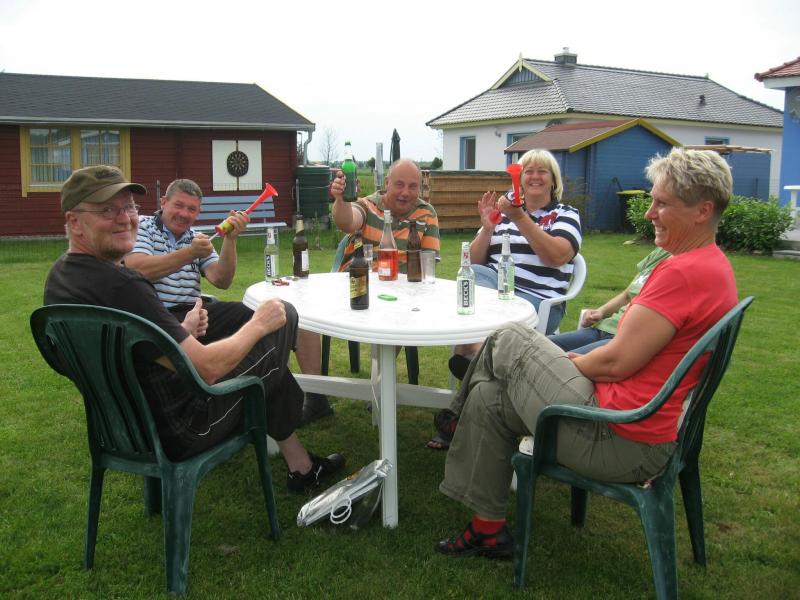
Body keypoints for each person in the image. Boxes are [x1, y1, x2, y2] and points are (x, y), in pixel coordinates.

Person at [435, 148, 737, 559]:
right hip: (628, 425)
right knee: (489, 397)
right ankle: (488, 530)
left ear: (702, 211)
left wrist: (564, 364)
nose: (650, 214)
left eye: (662, 204)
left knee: (509, 336)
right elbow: (623, 354)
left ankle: (453, 415)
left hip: (617, 437)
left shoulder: (683, 272)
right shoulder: (709, 265)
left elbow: (614, 362)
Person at [44, 165, 345, 492]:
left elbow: (219, 280)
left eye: (128, 207)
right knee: (280, 321)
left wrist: (182, 331)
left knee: (258, 341)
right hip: (187, 427)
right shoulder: (125, 286)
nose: (124, 218)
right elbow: (207, 369)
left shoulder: (60, 280)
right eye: (106, 210)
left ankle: (300, 462)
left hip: (123, 426)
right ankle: (300, 446)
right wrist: (260, 324)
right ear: (74, 221)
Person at [123, 179, 333, 426]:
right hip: (159, 318)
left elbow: (221, 279)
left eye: (191, 209)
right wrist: (189, 253)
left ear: (198, 212)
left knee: (274, 315)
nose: (184, 214)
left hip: (199, 315)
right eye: (178, 205)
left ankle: (310, 399)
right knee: (263, 327)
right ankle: (267, 409)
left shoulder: (196, 239)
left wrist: (230, 240)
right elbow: (137, 269)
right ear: (163, 202)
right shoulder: (144, 226)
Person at [292, 159, 441, 400]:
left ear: (420, 188)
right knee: (301, 312)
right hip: (354, 287)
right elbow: (346, 221)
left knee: (397, 315)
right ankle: (316, 395)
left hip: (401, 296)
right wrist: (341, 199)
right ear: (387, 183)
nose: (405, 192)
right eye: (399, 184)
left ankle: (380, 392)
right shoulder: (368, 205)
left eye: (413, 186)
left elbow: (428, 264)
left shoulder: (427, 214)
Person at [448, 149, 582, 380]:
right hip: (494, 293)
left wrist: (519, 217)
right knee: (473, 275)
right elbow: (473, 263)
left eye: (542, 171)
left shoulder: (565, 214)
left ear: (553, 181)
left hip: (538, 299)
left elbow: (557, 257)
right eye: (528, 171)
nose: (535, 176)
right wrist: (488, 229)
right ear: (519, 180)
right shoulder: (502, 213)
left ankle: (474, 354)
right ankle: (483, 360)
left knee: (475, 323)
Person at [548, 247, 670, 355]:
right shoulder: (661, 252)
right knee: (538, 348)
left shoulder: (677, 269)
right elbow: (627, 295)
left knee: (555, 363)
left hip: (622, 339)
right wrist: (600, 312)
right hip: (603, 328)